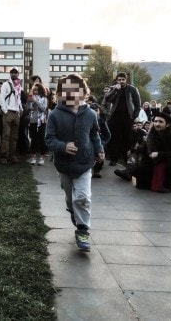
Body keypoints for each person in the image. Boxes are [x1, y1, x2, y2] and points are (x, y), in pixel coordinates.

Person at [45, 74, 104, 252]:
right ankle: (74, 212)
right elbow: (49, 139)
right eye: (66, 91)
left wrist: (99, 149)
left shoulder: (91, 114)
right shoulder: (55, 115)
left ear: (83, 92)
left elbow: (94, 134)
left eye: (75, 90)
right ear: (60, 94)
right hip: (63, 165)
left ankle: (82, 231)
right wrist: (63, 146)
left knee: (83, 198)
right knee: (72, 200)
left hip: (85, 163)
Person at [128, 112, 171, 192]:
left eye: (160, 122)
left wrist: (159, 154)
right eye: (155, 121)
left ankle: (167, 185)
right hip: (154, 163)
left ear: (167, 125)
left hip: (169, 165)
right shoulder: (151, 136)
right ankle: (129, 172)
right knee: (141, 179)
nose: (157, 124)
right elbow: (145, 152)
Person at [105, 72, 141, 166]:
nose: (121, 81)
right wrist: (115, 90)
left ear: (126, 79)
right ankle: (114, 159)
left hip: (128, 118)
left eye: (123, 79)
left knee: (127, 139)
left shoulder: (132, 89)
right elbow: (108, 99)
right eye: (119, 80)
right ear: (117, 80)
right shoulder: (113, 88)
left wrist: (134, 116)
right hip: (114, 117)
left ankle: (126, 159)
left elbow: (137, 104)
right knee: (114, 138)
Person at [0, 67, 23, 164]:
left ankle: (12, 156)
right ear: (10, 74)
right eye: (12, 73)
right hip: (8, 112)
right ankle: (4, 157)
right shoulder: (6, 84)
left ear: (18, 74)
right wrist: (5, 110)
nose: (14, 74)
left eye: (15, 73)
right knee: (6, 136)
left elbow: (18, 99)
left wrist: (21, 109)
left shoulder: (18, 85)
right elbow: (1, 98)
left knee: (14, 137)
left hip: (16, 113)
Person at [27, 83, 48, 165]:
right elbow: (29, 108)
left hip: (42, 120)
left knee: (42, 138)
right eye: (34, 90)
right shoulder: (31, 97)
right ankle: (33, 157)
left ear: (41, 90)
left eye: (37, 90)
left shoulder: (44, 98)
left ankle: (42, 158)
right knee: (33, 139)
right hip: (33, 120)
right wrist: (29, 103)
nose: (35, 91)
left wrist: (36, 102)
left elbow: (43, 109)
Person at [89, 103, 111, 178]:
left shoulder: (101, 120)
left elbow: (108, 134)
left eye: (96, 110)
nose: (95, 112)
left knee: (100, 153)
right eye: (93, 110)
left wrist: (103, 143)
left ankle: (97, 171)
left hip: (98, 141)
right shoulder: (85, 119)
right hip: (87, 141)